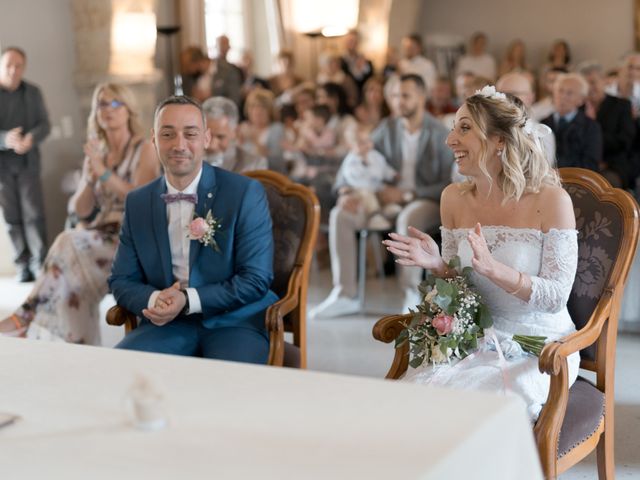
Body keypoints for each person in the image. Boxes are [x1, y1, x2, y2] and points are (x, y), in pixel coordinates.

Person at [383, 87, 580, 420]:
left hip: (538, 345)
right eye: (452, 128)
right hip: (474, 337)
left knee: (472, 412)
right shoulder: (452, 199)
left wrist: (495, 269)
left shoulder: (551, 200)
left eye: (464, 128)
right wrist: (439, 265)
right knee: (412, 406)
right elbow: (462, 289)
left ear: (499, 140)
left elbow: (556, 297)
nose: (450, 140)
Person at [109, 95, 277, 363]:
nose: (179, 145)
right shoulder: (138, 202)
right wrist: (155, 300)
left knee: (230, 388)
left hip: (234, 322)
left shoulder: (244, 193)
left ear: (206, 139)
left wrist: (187, 299)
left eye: (190, 134)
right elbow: (121, 279)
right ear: (154, 139)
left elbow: (256, 278)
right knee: (122, 371)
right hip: (166, 325)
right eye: (168, 134)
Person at [0, 83, 159, 342]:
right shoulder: (100, 153)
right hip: (99, 234)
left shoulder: (144, 149)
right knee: (72, 283)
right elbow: (78, 209)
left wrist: (104, 173)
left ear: (128, 110)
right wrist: (88, 176)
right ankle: (81, 345)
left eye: (114, 103)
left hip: (131, 240)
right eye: (101, 104)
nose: (107, 110)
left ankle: (25, 317)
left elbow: (138, 199)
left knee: (67, 240)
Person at [310, 74, 453, 318]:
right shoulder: (387, 128)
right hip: (383, 199)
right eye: (395, 95)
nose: (398, 101)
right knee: (341, 214)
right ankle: (345, 294)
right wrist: (345, 190)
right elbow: (354, 158)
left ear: (422, 96)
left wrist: (408, 193)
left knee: (408, 217)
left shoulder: (440, 132)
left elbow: (448, 183)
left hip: (425, 200)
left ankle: (410, 292)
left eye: (405, 96)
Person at [0, 46, 50, 282]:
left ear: (24, 67)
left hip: (28, 164)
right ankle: (23, 266)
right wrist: (4, 139)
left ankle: (40, 263)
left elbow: (45, 124)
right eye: (9, 65)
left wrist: (31, 138)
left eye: (18, 65)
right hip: (3, 168)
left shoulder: (33, 92)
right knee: (12, 218)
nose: (13, 70)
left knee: (34, 214)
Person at [580, 61, 636, 188]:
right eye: (585, 83)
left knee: (599, 185)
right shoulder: (578, 109)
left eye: (593, 82)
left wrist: (593, 125)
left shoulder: (621, 105)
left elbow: (625, 141)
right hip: (584, 165)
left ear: (604, 81)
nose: (589, 87)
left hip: (613, 165)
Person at [541, 73, 602, 171]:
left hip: (575, 181)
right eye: (560, 91)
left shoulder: (591, 127)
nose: (562, 96)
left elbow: (590, 164)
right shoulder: (542, 124)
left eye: (569, 93)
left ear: (581, 100)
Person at [202, 96, 267, 173]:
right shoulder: (188, 160)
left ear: (235, 132)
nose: (212, 146)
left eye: (220, 137)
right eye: (206, 136)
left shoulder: (254, 165)